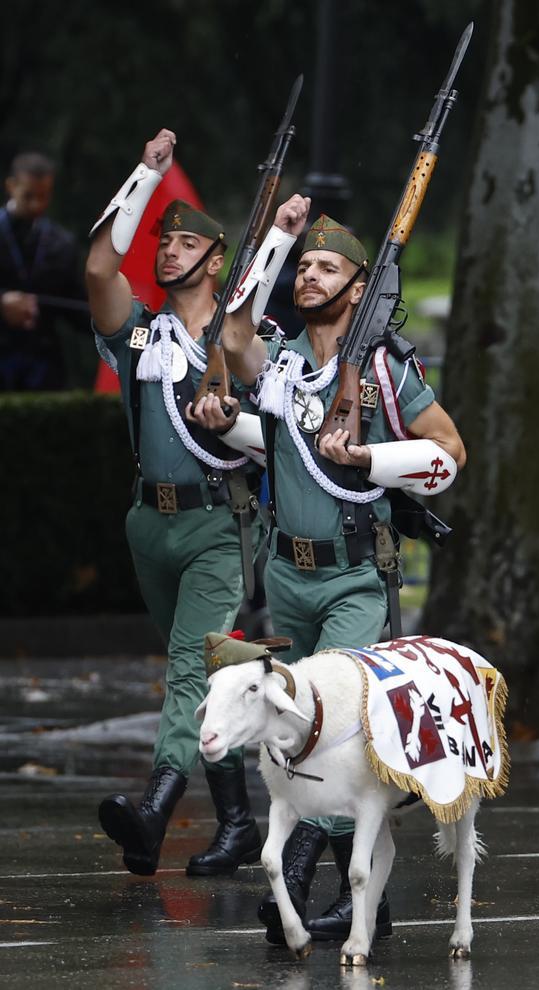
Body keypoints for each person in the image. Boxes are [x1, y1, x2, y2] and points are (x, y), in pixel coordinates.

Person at [191, 194, 466, 942]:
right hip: (286, 574)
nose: (310, 277)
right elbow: (236, 331)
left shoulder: (383, 367)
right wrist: (276, 240)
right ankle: (364, 896)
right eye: (304, 268)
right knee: (296, 729)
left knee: (339, 727)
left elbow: (449, 451)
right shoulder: (279, 361)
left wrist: (372, 456)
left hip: (353, 576)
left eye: (326, 267)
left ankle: (318, 873)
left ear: (359, 286)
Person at [86, 128, 268, 878]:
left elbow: (269, 402)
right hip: (147, 525)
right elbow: (100, 263)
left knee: (191, 671)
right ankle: (236, 822)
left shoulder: (241, 337)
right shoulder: (139, 334)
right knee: (207, 674)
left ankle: (155, 809)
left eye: (185, 242)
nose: (167, 251)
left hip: (217, 526)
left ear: (215, 259)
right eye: (163, 241)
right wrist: (142, 174)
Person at [0, 151, 88, 390]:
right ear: (11, 186)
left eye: (44, 196)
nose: (37, 205)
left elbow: (77, 308)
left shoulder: (62, 243)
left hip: (43, 370)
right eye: (28, 196)